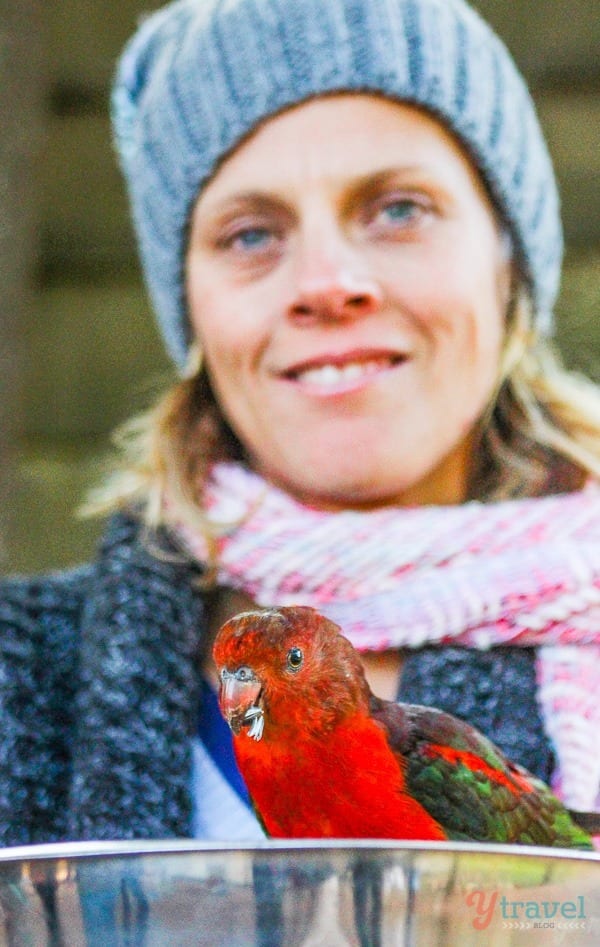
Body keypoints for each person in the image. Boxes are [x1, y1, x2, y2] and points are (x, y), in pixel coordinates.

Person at [1, 0, 599, 848]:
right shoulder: (15, 677)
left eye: (398, 208)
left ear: (510, 263)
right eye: (250, 233)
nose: (327, 280)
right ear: (192, 312)